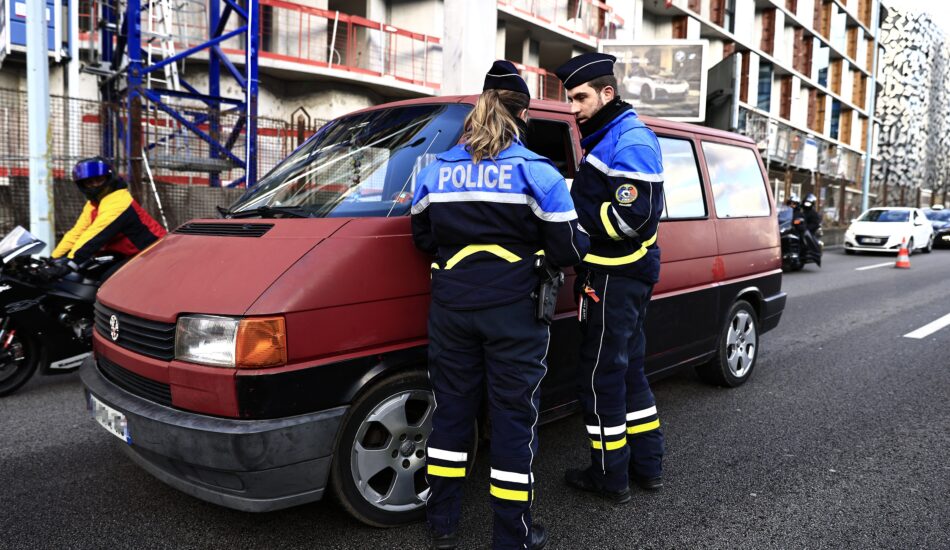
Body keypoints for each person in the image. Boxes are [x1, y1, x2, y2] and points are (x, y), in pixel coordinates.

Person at [411, 61, 589, 550]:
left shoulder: (436, 171)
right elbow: (567, 250)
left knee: (451, 415)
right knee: (513, 420)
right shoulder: (537, 172)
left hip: (451, 309)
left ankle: (442, 523)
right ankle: (513, 536)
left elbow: (422, 237)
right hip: (515, 310)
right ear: (523, 114)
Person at [553, 53, 666, 502]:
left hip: (614, 276)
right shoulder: (612, 135)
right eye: (570, 99)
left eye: (580, 97)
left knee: (600, 377)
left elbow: (632, 218)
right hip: (621, 274)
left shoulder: (629, 139)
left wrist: (574, 219)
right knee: (628, 371)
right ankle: (647, 467)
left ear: (607, 93)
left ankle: (610, 476)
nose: (573, 108)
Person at [47, 157, 166, 280]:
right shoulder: (94, 204)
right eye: (89, 182)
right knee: (89, 272)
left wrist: (69, 264)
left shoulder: (119, 202)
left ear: (109, 178)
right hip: (131, 255)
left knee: (108, 281)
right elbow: (77, 232)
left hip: (154, 254)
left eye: (98, 180)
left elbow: (95, 236)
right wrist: (53, 258)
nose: (94, 185)